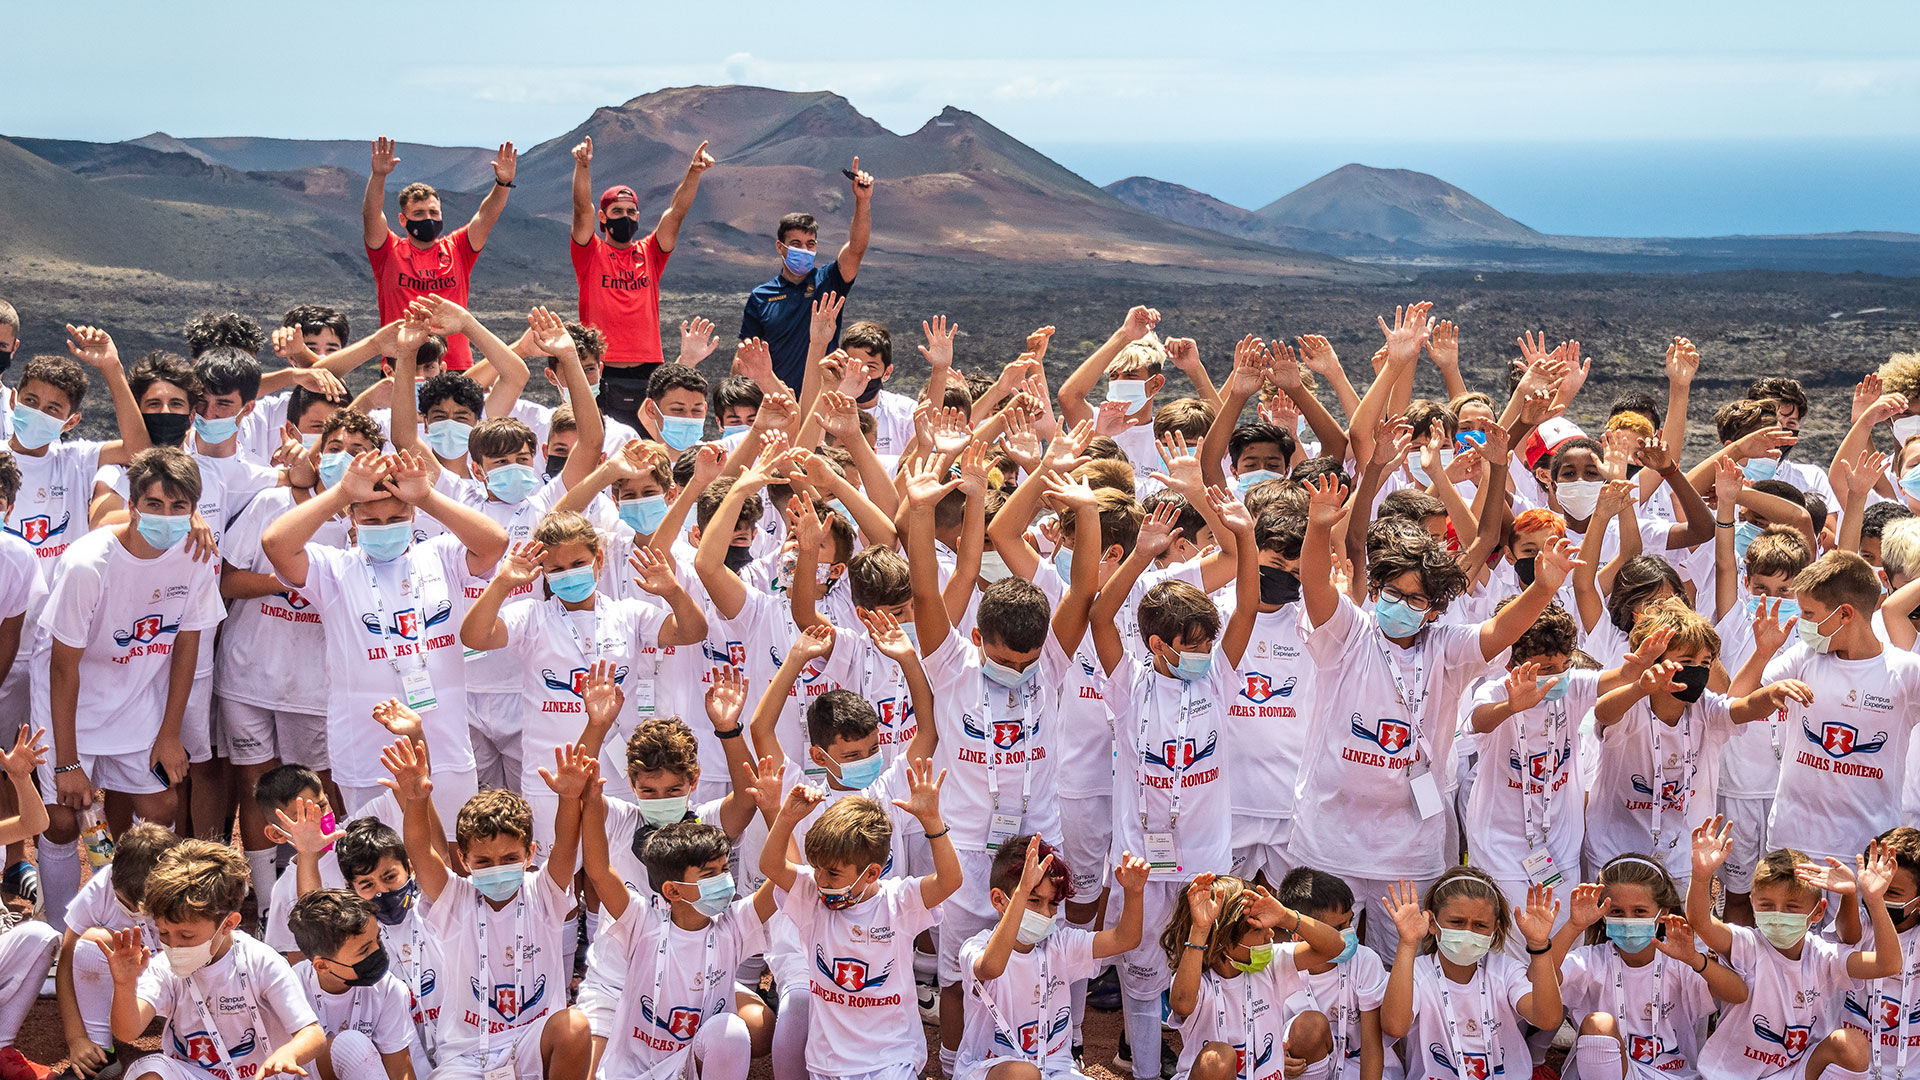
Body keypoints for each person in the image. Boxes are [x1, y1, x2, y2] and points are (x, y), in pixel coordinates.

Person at [260, 449, 508, 825]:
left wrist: (426, 496)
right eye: (370, 519)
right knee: (378, 861)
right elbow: (276, 543)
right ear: (353, 521)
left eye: (396, 517)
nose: (384, 526)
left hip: (446, 748)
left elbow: (495, 542)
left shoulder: (440, 556)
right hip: (366, 749)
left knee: (452, 860)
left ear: (412, 517)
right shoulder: (334, 568)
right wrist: (342, 493)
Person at [379, 737, 592, 1080]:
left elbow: (567, 843)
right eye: (484, 861)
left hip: (531, 1046)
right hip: (466, 1056)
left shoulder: (545, 892)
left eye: (510, 859)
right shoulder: (453, 899)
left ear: (530, 854)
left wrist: (568, 799)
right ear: (463, 860)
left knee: (575, 1026)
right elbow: (419, 850)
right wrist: (416, 800)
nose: (497, 868)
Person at [39, 448, 224, 836]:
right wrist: (68, 762)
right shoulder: (87, 565)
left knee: (160, 806)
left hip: (135, 695)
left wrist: (170, 734)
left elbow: (187, 647)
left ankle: (130, 892)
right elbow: (62, 666)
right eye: (153, 504)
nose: (166, 516)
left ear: (194, 509)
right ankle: (58, 899)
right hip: (73, 700)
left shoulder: (197, 557)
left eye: (179, 506)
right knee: (63, 821)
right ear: (132, 504)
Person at [759, 759, 961, 1080]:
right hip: (827, 1062)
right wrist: (785, 818)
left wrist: (932, 822)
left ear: (871, 873)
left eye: (834, 873)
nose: (821, 879)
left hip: (890, 1060)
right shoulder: (812, 897)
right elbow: (771, 866)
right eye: (817, 868)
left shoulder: (899, 902)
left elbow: (950, 880)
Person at [99, 839, 327, 1080]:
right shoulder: (164, 967)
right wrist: (124, 985)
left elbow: (312, 1034)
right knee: (149, 1071)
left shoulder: (261, 962)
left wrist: (288, 1055)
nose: (173, 945)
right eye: (163, 933)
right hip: (196, 1075)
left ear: (228, 924)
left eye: (187, 935)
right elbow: (127, 1031)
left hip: (263, 1076)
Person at [1688, 818, 1894, 1079]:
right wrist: (1701, 876)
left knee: (1851, 1045)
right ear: (1752, 903)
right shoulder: (1746, 944)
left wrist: (1874, 901)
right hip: (1731, 1074)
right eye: (1766, 904)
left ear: (1818, 911)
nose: (1778, 915)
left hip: (1793, 1072)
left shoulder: (1824, 956)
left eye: (1792, 907)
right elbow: (1700, 922)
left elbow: (1888, 965)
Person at [957, 837, 1149, 1080]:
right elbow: (991, 967)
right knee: (1024, 1075)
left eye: (1053, 903)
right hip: (989, 1068)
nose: (1046, 913)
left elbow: (1125, 939)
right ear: (998, 900)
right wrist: (1022, 890)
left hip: (1056, 1069)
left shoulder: (1060, 944)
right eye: (1034, 901)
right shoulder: (975, 947)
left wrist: (1134, 892)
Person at [569, 134, 716, 422]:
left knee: (650, 449)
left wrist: (694, 172)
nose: (625, 217)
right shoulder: (589, 253)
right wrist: (583, 166)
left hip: (649, 370)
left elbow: (676, 213)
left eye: (631, 211)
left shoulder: (650, 252)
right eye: (617, 212)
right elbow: (581, 208)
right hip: (601, 370)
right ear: (603, 217)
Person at [1548, 854, 1735, 1078]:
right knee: (1598, 1024)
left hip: (1672, 1074)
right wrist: (1573, 925)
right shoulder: (1592, 961)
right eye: (1617, 912)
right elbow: (1538, 978)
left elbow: (1737, 993)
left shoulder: (1679, 961)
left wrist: (1695, 959)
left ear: (1662, 913)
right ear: (1603, 915)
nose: (1628, 921)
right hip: (1607, 1072)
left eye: (1639, 912)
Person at [1379, 869, 1563, 1080]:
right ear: (1432, 923)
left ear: (1495, 928)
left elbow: (1548, 1019)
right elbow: (1394, 1026)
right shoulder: (1415, 973)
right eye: (1457, 922)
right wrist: (1408, 943)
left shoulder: (1505, 970)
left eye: (1480, 925)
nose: (1468, 932)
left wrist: (1538, 946)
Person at [1162, 872, 1348, 1080]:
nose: (1270, 935)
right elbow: (1182, 1004)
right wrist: (1200, 929)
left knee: (1312, 1024)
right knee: (1217, 1059)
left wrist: (1286, 917)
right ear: (1225, 938)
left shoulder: (1271, 964)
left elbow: (1335, 946)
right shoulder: (1197, 980)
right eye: (1259, 930)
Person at [361, 136, 517, 370]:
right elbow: (371, 215)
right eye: (419, 213)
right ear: (403, 219)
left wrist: (502, 184)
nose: (428, 219)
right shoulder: (388, 251)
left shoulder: (458, 248)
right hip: (402, 365)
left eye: (434, 213)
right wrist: (379, 176)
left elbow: (486, 216)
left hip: (456, 366)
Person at [56, 822, 180, 1080]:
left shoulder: (187, 888)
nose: (135, 912)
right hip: (129, 981)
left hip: (178, 979)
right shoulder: (100, 889)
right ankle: (100, 1051)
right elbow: (67, 961)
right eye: (126, 903)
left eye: (146, 909)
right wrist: (76, 1038)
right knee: (91, 944)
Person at [739, 159, 874, 392]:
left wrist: (862, 201)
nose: (803, 250)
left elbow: (856, 248)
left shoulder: (830, 281)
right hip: (775, 401)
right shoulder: (761, 297)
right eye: (795, 244)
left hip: (820, 400)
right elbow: (746, 354)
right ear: (780, 247)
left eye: (810, 244)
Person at [285, 890, 418, 1080]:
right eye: (364, 950)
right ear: (322, 966)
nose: (377, 952)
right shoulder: (289, 991)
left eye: (378, 939)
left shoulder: (389, 988)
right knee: (351, 1046)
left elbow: (399, 1070)